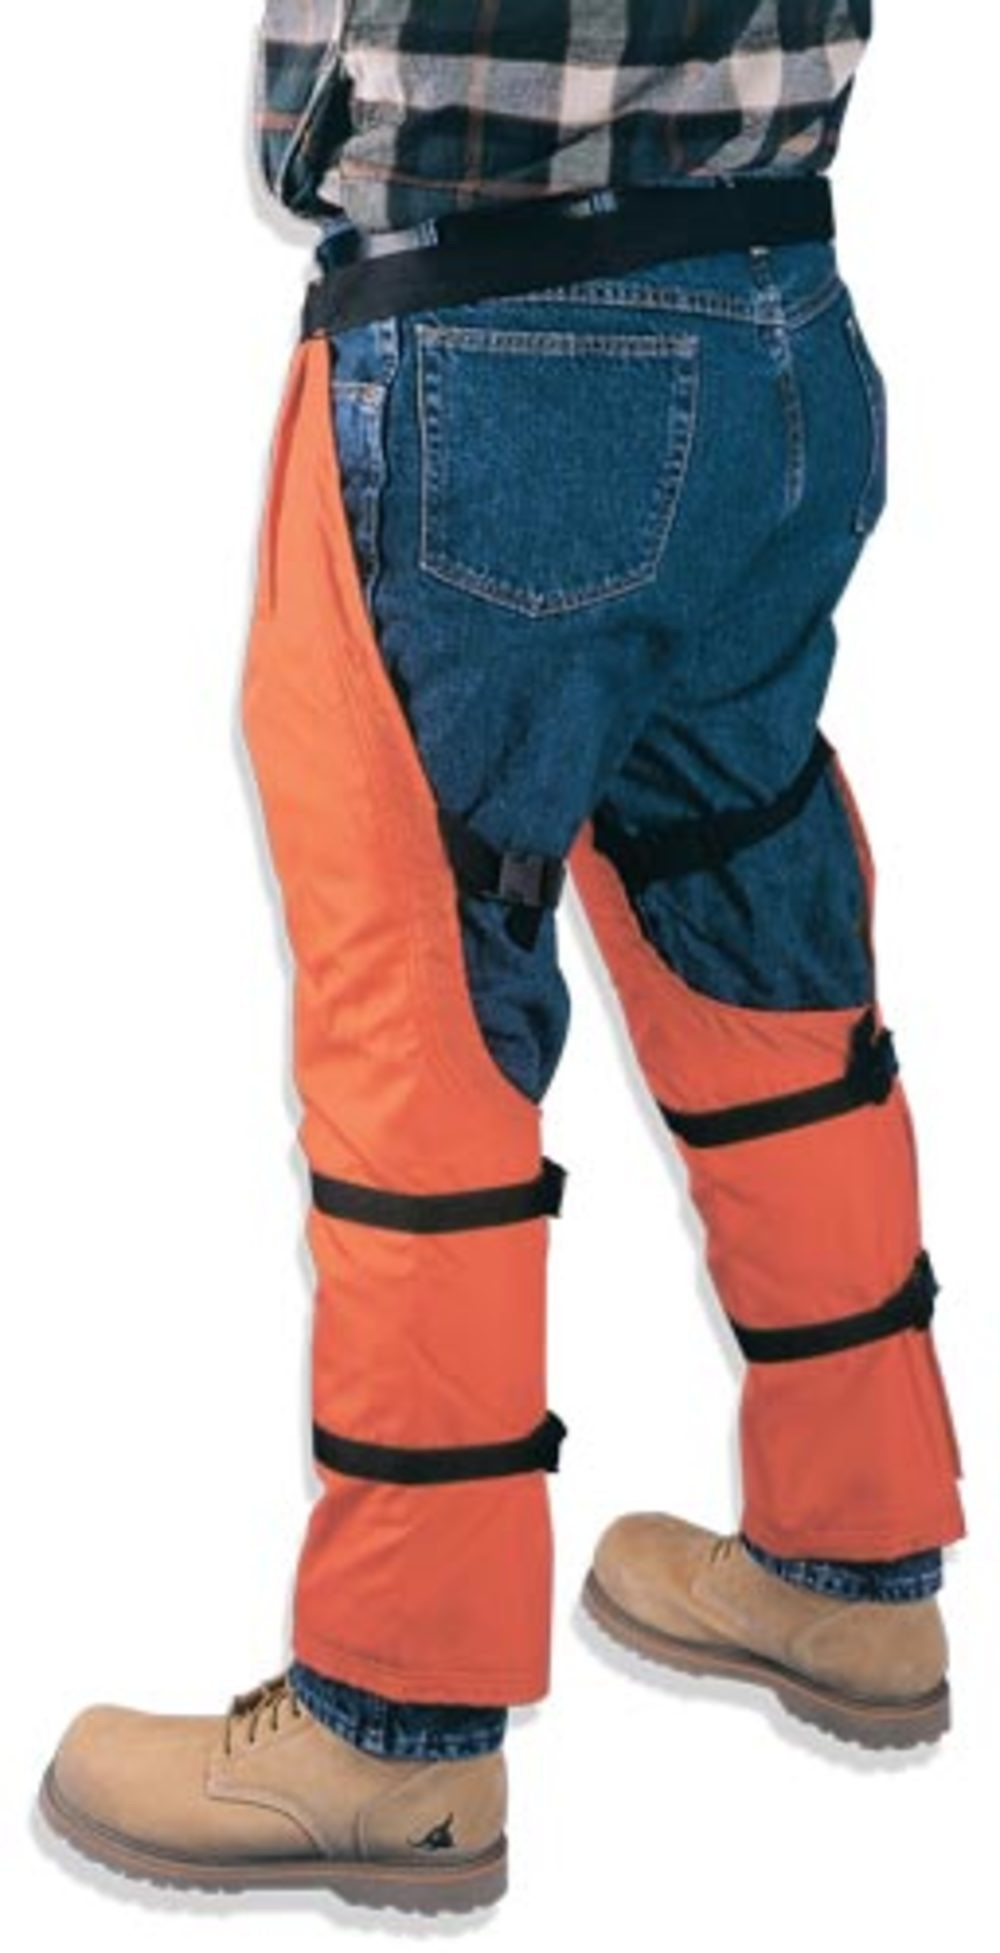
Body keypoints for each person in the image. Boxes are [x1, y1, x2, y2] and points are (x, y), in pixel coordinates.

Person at [38, 0, 964, 1917]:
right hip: (780, 320)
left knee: (420, 998)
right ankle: (859, 1571)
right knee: (754, 925)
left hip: (493, 340)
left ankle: (397, 1727)